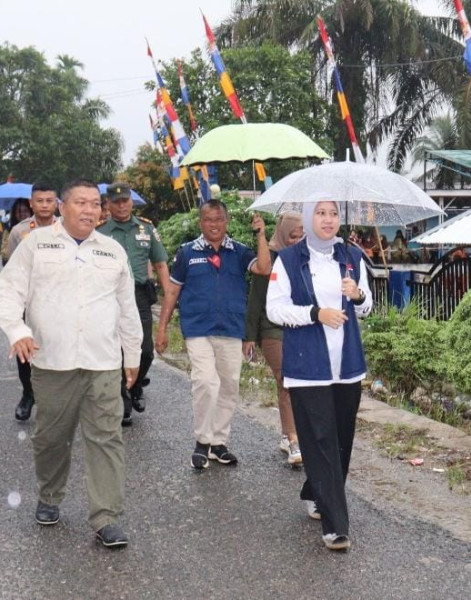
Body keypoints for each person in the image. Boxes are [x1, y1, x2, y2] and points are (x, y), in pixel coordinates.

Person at [0, 179, 142, 549]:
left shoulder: (112, 251)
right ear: (62, 206)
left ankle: (106, 516)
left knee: (107, 438)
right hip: (52, 361)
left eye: (95, 203)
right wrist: (17, 331)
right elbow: (9, 291)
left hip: (103, 361)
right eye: (81, 202)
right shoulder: (35, 245)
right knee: (51, 439)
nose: (90, 210)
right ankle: (49, 495)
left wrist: (133, 354)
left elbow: (128, 307)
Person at [265, 200, 373, 552]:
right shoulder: (289, 259)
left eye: (333, 214)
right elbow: (275, 309)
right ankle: (336, 525)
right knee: (321, 438)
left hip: (347, 366)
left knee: (341, 439)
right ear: (309, 217)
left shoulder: (352, 257)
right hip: (308, 366)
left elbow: (369, 305)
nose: (328, 220)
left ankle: (316, 490)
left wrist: (357, 296)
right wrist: (316, 313)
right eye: (320, 213)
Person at [154, 200, 271, 469]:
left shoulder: (239, 251)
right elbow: (172, 292)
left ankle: (219, 443)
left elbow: (264, 268)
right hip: (197, 328)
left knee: (229, 385)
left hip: (231, 328)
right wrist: (162, 328)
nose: (214, 224)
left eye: (219, 219)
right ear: (201, 223)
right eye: (209, 219)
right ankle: (202, 442)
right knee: (206, 382)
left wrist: (261, 234)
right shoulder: (186, 253)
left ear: (226, 221)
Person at [97, 182, 170, 427]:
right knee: (115, 350)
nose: (121, 205)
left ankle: (136, 385)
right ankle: (123, 402)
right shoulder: (100, 231)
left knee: (146, 349)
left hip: (139, 295)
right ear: (107, 204)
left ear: (131, 201)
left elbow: (160, 264)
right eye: (116, 201)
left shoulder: (146, 229)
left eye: (125, 200)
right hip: (107, 295)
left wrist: (169, 297)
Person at [243, 212, 303, 465]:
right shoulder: (271, 259)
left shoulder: (307, 259)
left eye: (302, 236)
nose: (297, 241)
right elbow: (255, 299)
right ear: (282, 234)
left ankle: (286, 433)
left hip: (300, 329)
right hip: (273, 330)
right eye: (292, 236)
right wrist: (249, 338)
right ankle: (293, 440)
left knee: (297, 384)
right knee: (286, 381)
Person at [2, 182, 58, 421]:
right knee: (25, 349)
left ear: (56, 203)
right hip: (29, 300)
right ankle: (28, 393)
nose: (44, 205)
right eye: (40, 201)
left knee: (57, 347)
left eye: (49, 200)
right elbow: (11, 268)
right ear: (31, 203)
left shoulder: (66, 228)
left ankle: (55, 398)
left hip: (59, 299)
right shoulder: (19, 231)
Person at [0, 198, 33, 266]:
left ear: (31, 212)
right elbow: (5, 254)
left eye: (25, 211)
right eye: (19, 211)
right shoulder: (9, 231)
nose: (22, 214)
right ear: (14, 214)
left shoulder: (37, 228)